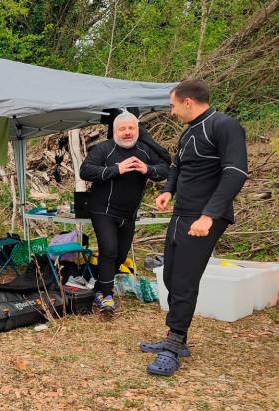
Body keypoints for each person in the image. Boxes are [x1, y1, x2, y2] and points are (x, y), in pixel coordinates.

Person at [142, 79, 248, 376]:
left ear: (188, 101)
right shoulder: (189, 132)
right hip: (182, 214)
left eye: (174, 105)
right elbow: (177, 166)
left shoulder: (224, 126)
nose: (172, 111)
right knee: (172, 276)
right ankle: (177, 338)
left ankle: (173, 345)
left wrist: (209, 215)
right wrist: (167, 190)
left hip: (203, 216)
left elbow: (235, 173)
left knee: (186, 279)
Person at [80, 111, 169, 315]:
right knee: (109, 250)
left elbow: (165, 169)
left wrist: (147, 169)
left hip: (128, 213)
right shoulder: (104, 149)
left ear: (138, 130)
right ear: (115, 131)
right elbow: (85, 170)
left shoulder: (145, 150)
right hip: (103, 210)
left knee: (120, 255)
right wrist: (115, 169)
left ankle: (99, 289)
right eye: (123, 129)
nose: (127, 133)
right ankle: (108, 297)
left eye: (131, 128)